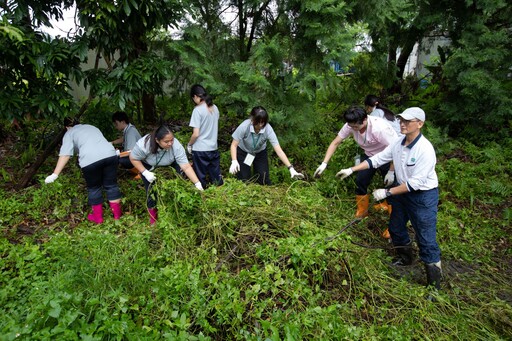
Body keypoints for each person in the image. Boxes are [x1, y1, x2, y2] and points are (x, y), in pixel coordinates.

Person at [336, 107, 442, 290]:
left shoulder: (425, 149)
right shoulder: (398, 143)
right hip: (402, 192)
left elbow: (415, 184)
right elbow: (377, 159)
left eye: (408, 121)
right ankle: (405, 258)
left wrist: (387, 193)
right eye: (401, 120)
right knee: (395, 227)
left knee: (425, 238)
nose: (402, 124)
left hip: (422, 196)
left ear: (420, 124)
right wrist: (351, 170)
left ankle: (434, 285)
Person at [314, 107, 399, 237]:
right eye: (351, 126)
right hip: (369, 156)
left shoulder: (379, 128)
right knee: (360, 181)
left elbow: (395, 150)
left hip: (387, 157)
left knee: (391, 188)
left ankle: (394, 226)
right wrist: (324, 163)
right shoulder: (350, 124)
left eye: (356, 127)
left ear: (365, 120)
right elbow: (335, 142)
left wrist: (391, 171)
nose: (353, 128)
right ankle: (362, 212)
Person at [45, 117, 122, 224]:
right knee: (111, 185)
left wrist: (55, 174)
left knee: (94, 188)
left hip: (90, 160)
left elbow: (65, 154)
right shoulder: (91, 127)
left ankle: (98, 218)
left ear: (67, 127)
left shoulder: (69, 133)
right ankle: (117, 217)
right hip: (110, 154)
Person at [129, 125, 204, 224]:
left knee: (177, 187)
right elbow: (133, 158)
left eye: (172, 140)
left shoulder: (176, 146)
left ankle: (176, 215)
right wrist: (145, 172)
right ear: (157, 140)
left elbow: (186, 166)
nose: (170, 143)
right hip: (149, 166)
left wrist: (197, 184)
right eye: (166, 141)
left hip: (171, 163)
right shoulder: (144, 145)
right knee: (151, 192)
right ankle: (153, 222)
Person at [229, 106, 304, 185]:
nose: (261, 125)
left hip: (259, 153)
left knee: (263, 178)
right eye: (258, 122)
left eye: (263, 122)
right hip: (244, 152)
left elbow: (278, 150)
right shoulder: (244, 126)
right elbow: (234, 145)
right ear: (253, 119)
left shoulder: (268, 129)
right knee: (244, 178)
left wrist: (291, 168)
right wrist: (234, 161)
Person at [187, 84, 223, 189]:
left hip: (200, 149)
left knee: (200, 177)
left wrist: (189, 145)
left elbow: (196, 134)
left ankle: (202, 196)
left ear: (195, 96)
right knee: (216, 176)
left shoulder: (197, 110)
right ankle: (220, 196)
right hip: (213, 147)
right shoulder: (214, 108)